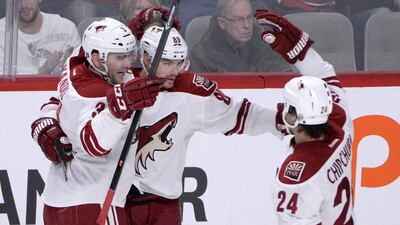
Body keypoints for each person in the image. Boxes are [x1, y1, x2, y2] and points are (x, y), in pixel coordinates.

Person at [30, 17, 165, 225]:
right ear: (96, 58)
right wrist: (119, 108)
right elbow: (93, 143)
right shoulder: (93, 95)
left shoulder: (76, 61)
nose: (129, 65)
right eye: (120, 57)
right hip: (94, 206)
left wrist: (131, 30)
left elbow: (55, 102)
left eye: (129, 55)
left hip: (61, 203)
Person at [255, 9, 354, 224]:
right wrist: (297, 49)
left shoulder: (299, 176)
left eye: (288, 109)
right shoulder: (342, 123)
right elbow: (322, 72)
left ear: (295, 121)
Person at [188, 0, 289, 72]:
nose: (246, 25)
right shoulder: (202, 56)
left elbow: (285, 78)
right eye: (239, 19)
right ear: (222, 23)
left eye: (249, 17)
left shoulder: (266, 45)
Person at [0, 0, 80, 75]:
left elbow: (80, 73)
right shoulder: (2, 31)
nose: (23, 5)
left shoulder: (66, 28)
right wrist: (42, 71)